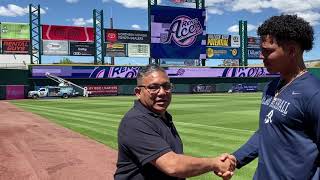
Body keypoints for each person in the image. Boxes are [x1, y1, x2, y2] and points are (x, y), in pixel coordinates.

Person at [220, 14, 320, 179]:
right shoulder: (270, 87)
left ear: (292, 51)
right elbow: (266, 132)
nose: (261, 56)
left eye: (267, 51)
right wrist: (236, 158)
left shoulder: (314, 93)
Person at [114, 64, 235, 180]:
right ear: (138, 93)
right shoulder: (135, 121)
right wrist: (215, 163)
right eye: (153, 87)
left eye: (166, 86)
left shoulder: (163, 117)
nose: (162, 92)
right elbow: (173, 166)